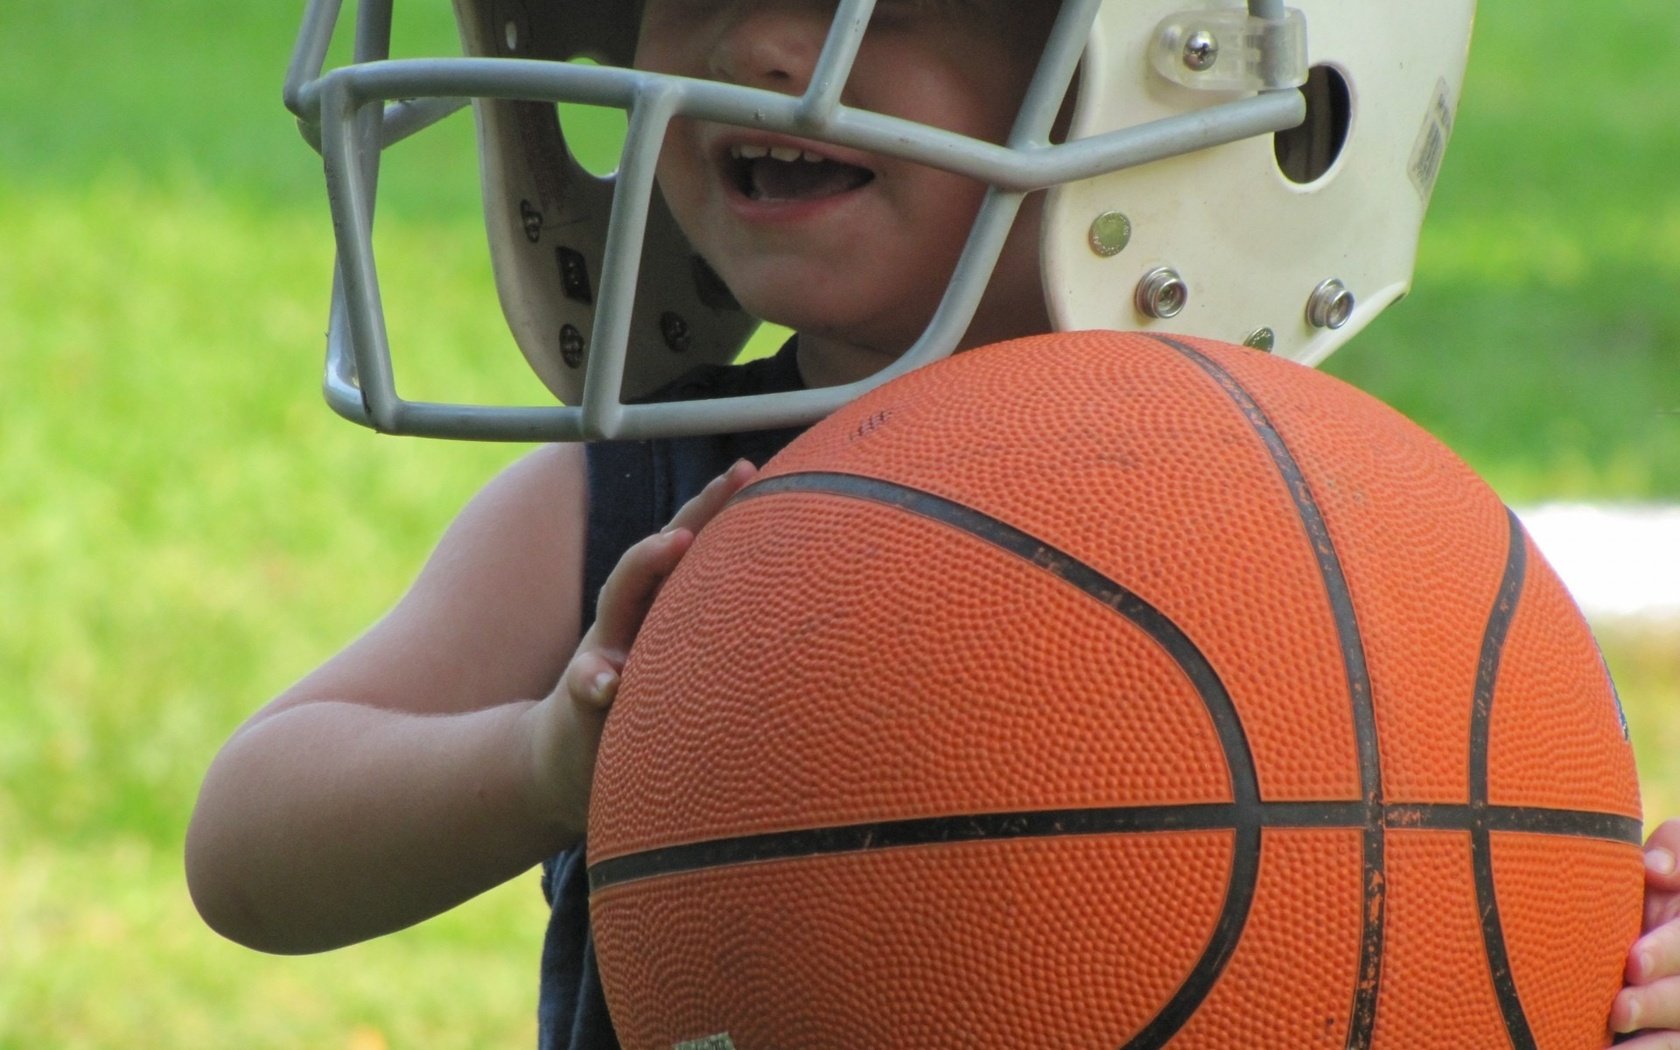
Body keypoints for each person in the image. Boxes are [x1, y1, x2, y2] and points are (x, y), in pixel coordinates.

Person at [186, 1, 1680, 1046]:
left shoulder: (1351, 539)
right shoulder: (625, 506)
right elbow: (248, 841)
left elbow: (1459, 902)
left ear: (1177, 61)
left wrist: (1615, 947)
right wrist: (538, 765)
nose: (758, 46)